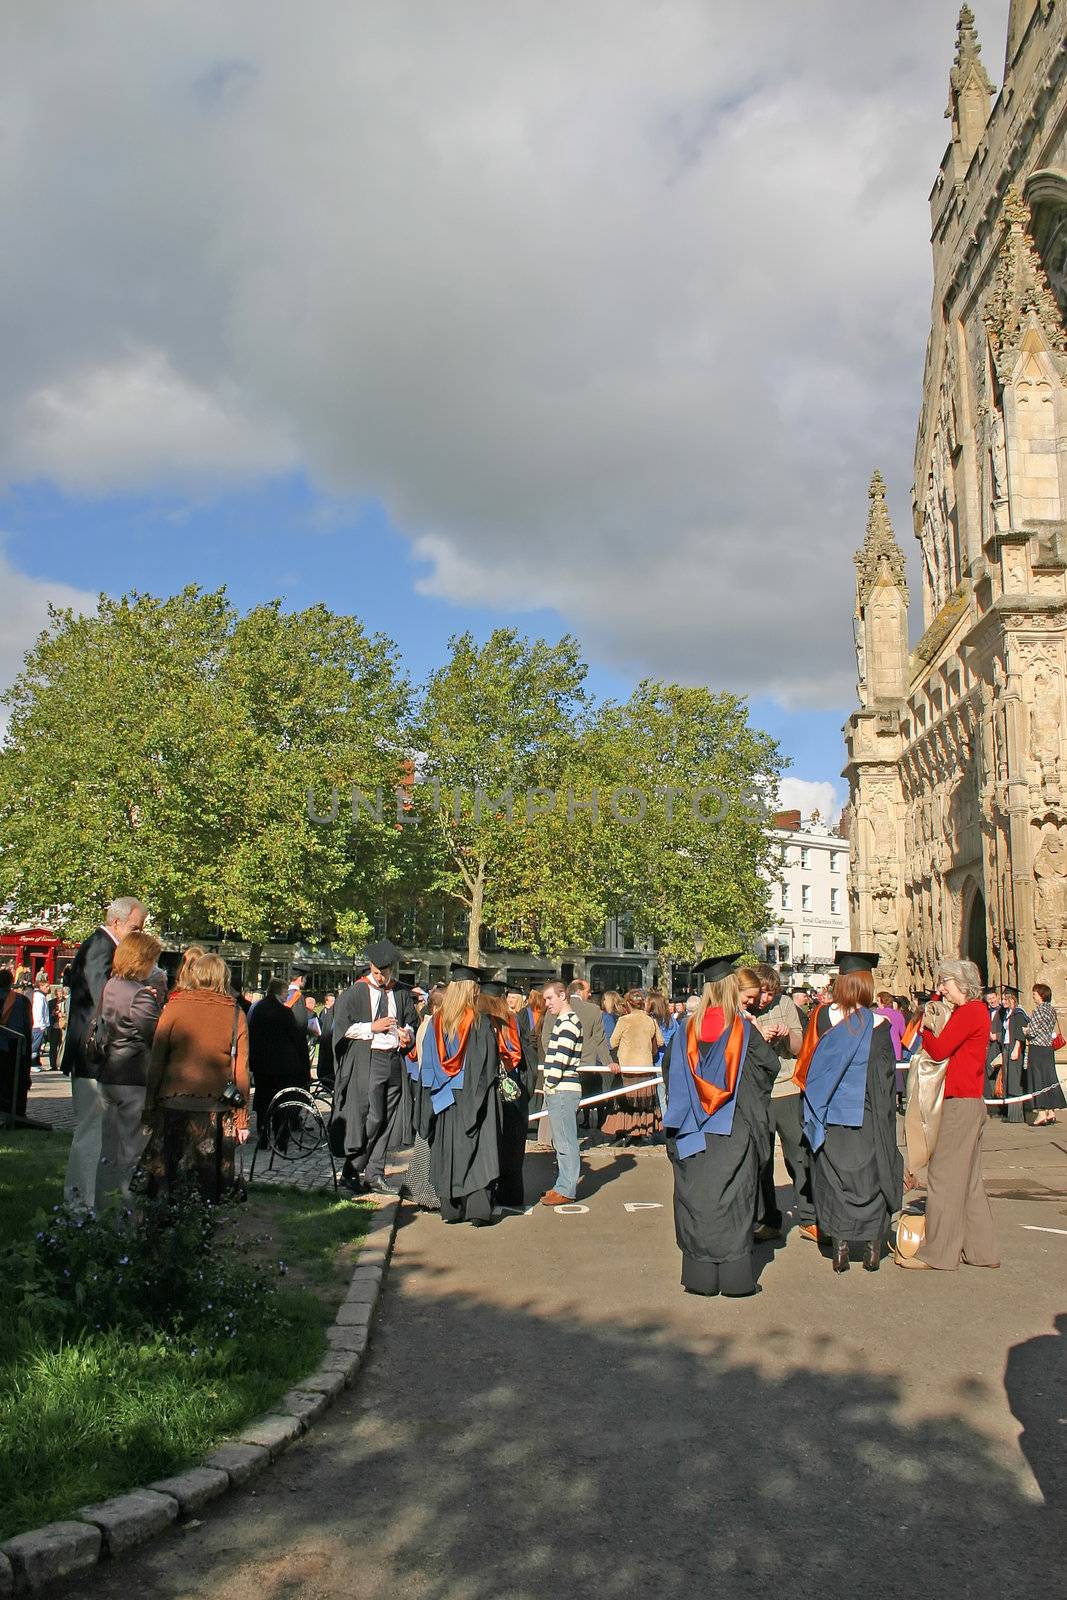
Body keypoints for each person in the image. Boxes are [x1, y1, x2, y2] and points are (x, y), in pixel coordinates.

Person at [663, 955, 778, 1297]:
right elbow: (766, 1070)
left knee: (697, 1200)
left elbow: (671, 1075)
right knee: (733, 1201)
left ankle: (700, 1278)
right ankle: (735, 1280)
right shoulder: (743, 1030)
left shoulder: (686, 1030)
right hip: (734, 1130)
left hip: (692, 1130)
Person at [797, 952, 902, 1274]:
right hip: (868, 1115)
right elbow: (886, 1079)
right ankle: (872, 1248)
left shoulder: (822, 1017)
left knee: (835, 1179)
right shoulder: (880, 1024)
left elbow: (810, 1066)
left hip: (832, 1115)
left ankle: (840, 1248)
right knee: (869, 1178)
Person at [896, 959, 999, 1271]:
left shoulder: (969, 1012)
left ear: (961, 982)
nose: (941, 989)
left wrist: (925, 1027)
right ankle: (981, 1251)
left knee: (943, 1176)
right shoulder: (977, 1011)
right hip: (970, 1099)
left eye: (945, 983)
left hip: (958, 1101)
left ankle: (939, 1253)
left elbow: (939, 1050)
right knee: (968, 1180)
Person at [143, 952, 250, 1201]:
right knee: (206, 1185)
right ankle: (203, 1226)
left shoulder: (175, 1006)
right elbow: (241, 1070)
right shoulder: (235, 1014)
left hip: (173, 1103)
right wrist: (242, 1119)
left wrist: (149, 1104)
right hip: (215, 1109)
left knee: (168, 1180)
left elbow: (157, 1059)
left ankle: (163, 1225)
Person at [62, 897, 147, 1206]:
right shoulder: (101, 947)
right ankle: (79, 1205)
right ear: (117, 923)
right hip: (91, 1058)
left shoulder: (102, 946)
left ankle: (87, 1201)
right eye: (135, 928)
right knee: (90, 1133)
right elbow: (105, 999)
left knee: (97, 1134)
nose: (138, 934)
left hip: (95, 1056)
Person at [331, 940, 417, 1196]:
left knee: (388, 1120)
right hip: (369, 1060)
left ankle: (375, 1174)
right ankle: (351, 1169)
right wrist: (372, 1027)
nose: (382, 977)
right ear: (371, 967)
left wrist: (407, 1035)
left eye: (386, 972)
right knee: (373, 1117)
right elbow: (342, 1028)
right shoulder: (356, 992)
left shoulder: (401, 992)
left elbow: (411, 1021)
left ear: (393, 969)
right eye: (378, 972)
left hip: (394, 1060)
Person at [419, 964, 500, 1223]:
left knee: (448, 1149)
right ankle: (477, 1210)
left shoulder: (436, 1022)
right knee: (478, 1151)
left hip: (445, 1096)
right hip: (472, 1094)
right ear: (472, 990)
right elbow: (487, 1064)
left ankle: (452, 1209)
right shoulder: (479, 1022)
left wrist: (435, 1090)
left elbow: (429, 1063)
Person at [95, 930, 164, 1202]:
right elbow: (156, 1035)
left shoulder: (110, 985)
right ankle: (126, 1214)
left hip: (108, 1072)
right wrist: (155, 1003)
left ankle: (102, 1208)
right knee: (131, 1150)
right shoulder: (140, 995)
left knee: (108, 1149)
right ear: (142, 959)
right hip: (133, 1076)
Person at [750, 963, 811, 1243]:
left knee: (798, 1155)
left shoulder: (786, 1004)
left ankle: (810, 1217)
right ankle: (768, 1220)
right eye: (763, 994)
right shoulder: (745, 1008)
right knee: (761, 1160)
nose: (766, 1000)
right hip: (757, 1093)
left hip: (787, 1090)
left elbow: (799, 1049)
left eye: (771, 995)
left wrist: (788, 1034)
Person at [480, 978, 537, 1208]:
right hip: (514, 1090)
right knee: (513, 1146)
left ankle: (489, 1191)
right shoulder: (513, 1021)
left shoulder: (481, 1022)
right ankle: (512, 1194)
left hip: (493, 1091)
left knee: (493, 1142)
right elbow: (525, 1058)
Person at [248, 977, 311, 1146]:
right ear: (279, 992)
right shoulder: (284, 1012)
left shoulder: (259, 1009)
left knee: (262, 1101)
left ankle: (263, 1137)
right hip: (281, 1065)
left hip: (262, 1065)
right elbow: (295, 1037)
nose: (286, 996)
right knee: (280, 1102)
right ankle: (281, 1138)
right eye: (284, 993)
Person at [540, 980, 585, 1205]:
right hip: (562, 1089)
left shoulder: (568, 1023)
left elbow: (560, 1060)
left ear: (563, 996)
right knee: (562, 1140)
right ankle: (563, 1185)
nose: (547, 1003)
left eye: (550, 998)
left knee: (565, 1141)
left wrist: (549, 1083)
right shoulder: (566, 1021)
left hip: (562, 1090)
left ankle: (566, 1188)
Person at [602, 989, 662, 1142]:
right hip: (646, 1069)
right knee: (644, 1104)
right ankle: (643, 1132)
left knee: (624, 1103)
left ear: (628, 1003)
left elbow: (612, 1042)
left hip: (627, 1069)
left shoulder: (624, 1020)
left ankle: (625, 1131)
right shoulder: (651, 1021)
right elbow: (660, 1042)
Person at [407, 986, 445, 1209]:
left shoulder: (427, 1024)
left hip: (426, 1085)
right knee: (426, 1141)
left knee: (424, 1141)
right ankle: (425, 1193)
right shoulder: (431, 1025)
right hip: (429, 1087)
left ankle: (414, 1187)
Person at [1024, 983, 1065, 1127]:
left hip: (1037, 1048)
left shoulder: (1038, 1010)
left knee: (1038, 1079)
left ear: (1041, 995)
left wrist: (1025, 1031)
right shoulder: (1051, 1010)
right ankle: (1051, 1111)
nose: (1033, 996)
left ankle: (1041, 1113)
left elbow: (1033, 1031)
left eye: (1035, 994)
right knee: (1050, 1078)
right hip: (1048, 1048)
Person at [0, 968, 33, 1121]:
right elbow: (26, 1026)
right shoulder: (20, 1000)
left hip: (7, 1043)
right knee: (11, 1082)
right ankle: (15, 1111)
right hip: (13, 1047)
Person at [983, 986, 1004, 1107]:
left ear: (997, 997)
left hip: (999, 1047)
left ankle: (1001, 1102)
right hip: (988, 1047)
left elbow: (1009, 1030)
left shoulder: (1003, 1011)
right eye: (989, 999)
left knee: (999, 1073)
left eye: (993, 997)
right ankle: (991, 1103)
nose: (991, 1000)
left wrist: (998, 1036)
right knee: (988, 1071)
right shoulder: (986, 1013)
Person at [30, 972, 51, 1070]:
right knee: (35, 1046)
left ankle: (36, 1062)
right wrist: (42, 1026)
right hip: (38, 1026)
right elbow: (39, 1012)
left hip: (39, 1025)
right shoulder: (39, 997)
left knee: (38, 1047)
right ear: (41, 986)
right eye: (46, 986)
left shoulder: (41, 996)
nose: (48, 988)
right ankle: (32, 1064)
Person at [317, 992, 337, 1090]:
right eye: (332, 1001)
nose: (334, 1002)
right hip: (325, 1041)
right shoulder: (324, 1012)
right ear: (326, 1001)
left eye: (334, 1000)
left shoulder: (334, 1013)